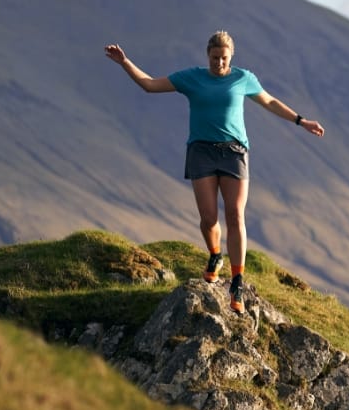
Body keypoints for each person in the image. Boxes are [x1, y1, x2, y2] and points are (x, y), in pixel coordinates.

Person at [104, 31, 324, 314]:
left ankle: (237, 281)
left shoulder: (243, 78)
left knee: (234, 214)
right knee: (208, 218)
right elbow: (149, 85)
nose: (219, 63)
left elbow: (269, 101)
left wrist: (301, 120)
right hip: (201, 152)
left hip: (234, 153)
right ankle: (215, 255)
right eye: (214, 58)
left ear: (231, 57)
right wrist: (125, 62)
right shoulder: (192, 78)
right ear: (207, 55)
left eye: (224, 58)